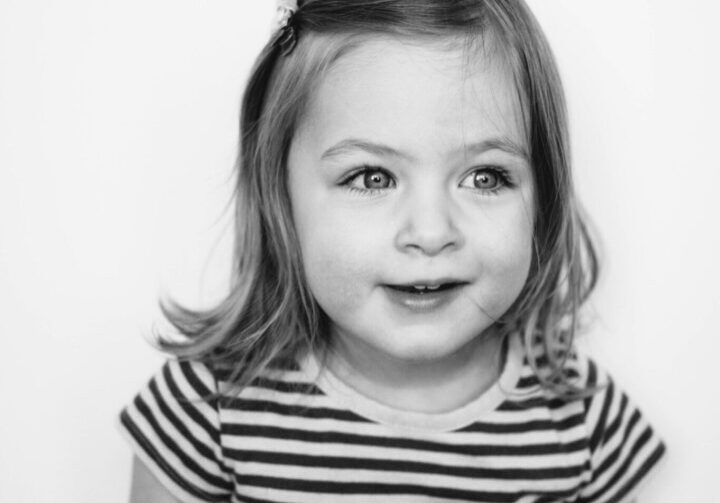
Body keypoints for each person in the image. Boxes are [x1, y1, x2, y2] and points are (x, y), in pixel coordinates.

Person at [119, 1, 666, 501]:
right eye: (372, 177)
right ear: (280, 200)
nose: (430, 233)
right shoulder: (205, 409)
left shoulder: (586, 424)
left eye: (485, 177)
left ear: (543, 198)